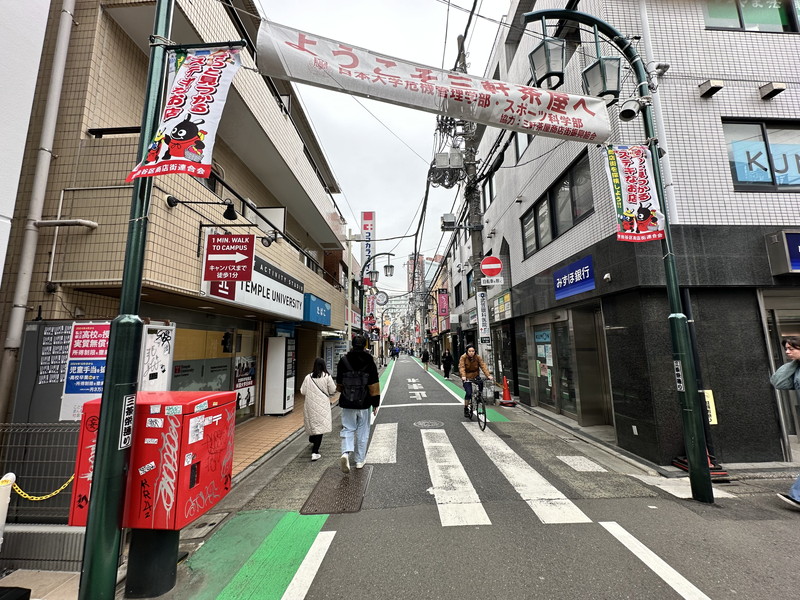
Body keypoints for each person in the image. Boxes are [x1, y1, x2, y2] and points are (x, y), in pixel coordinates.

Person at [336, 335, 380, 473]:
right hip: (364, 402)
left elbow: (339, 383)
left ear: (352, 344)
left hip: (347, 401)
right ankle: (360, 460)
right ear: (365, 345)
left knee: (347, 428)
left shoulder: (343, 360)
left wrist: (345, 391)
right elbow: (374, 384)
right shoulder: (369, 360)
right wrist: (375, 403)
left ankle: (345, 453)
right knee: (363, 431)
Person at [770, 336, 800, 508]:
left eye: (792, 348)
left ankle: (797, 495)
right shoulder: (796, 369)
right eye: (786, 348)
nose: (788, 352)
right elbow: (778, 381)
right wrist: (795, 363)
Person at [300, 357, 336, 462]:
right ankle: (315, 452)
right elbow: (333, 390)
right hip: (323, 405)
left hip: (310, 405)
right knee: (320, 428)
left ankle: (312, 438)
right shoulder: (327, 377)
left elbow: (302, 391)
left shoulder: (308, 377)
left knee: (314, 424)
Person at [458, 345, 493, 418]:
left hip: (475, 375)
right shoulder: (463, 357)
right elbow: (462, 367)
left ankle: (479, 396)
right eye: (469, 351)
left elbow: (483, 366)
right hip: (466, 376)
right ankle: (466, 408)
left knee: (481, 383)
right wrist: (463, 376)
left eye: (473, 351)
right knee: (468, 393)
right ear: (467, 352)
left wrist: (488, 375)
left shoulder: (477, 357)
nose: (471, 353)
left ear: (475, 351)